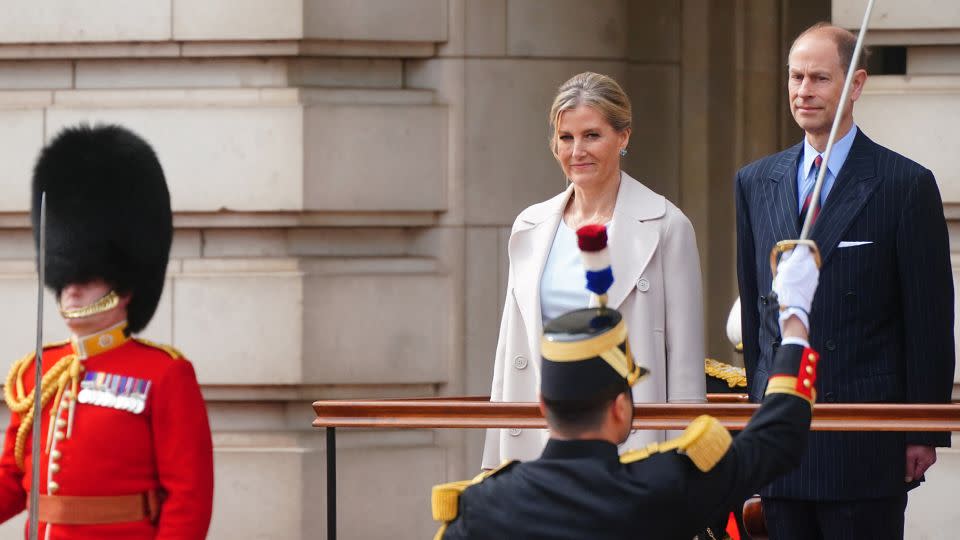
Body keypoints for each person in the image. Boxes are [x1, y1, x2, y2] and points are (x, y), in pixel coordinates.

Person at [433, 237, 823, 539]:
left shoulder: (480, 504)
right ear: (620, 408)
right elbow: (777, 437)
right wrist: (793, 321)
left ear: (542, 405)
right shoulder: (659, 486)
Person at [735, 22, 955, 539]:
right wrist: (756, 419)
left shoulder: (905, 184)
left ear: (855, 85)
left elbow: (928, 321)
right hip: (782, 441)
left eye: (819, 78)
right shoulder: (754, 180)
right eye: (795, 77)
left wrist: (923, 430)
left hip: (865, 440)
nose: (803, 91)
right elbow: (755, 312)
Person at [482, 71, 705, 469]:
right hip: (540, 446)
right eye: (566, 137)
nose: (576, 150)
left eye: (591, 135)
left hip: (630, 452)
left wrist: (685, 472)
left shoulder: (667, 226)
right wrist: (493, 461)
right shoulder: (529, 227)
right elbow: (509, 353)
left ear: (623, 137)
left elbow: (685, 367)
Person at [0, 124, 214, 538]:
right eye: (66, 277)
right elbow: (13, 478)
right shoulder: (35, 374)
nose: (73, 288)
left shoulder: (164, 375)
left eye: (89, 277)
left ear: (124, 287)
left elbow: (189, 497)